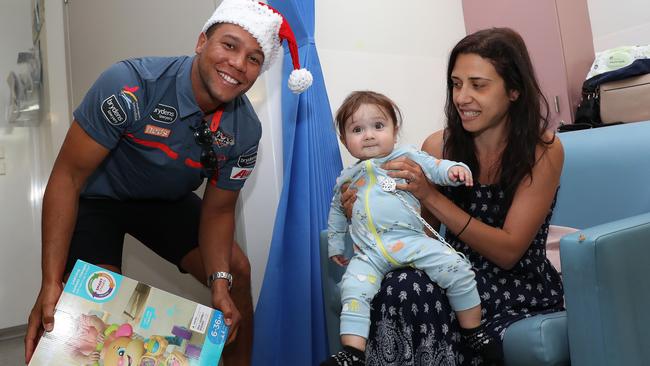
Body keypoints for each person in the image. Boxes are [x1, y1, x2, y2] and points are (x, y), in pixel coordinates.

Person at [23, 0, 313, 365]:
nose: (238, 64)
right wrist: (50, 281)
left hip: (166, 202)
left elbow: (219, 211)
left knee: (236, 272)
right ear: (201, 42)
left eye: (254, 59)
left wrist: (219, 287)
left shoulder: (244, 132)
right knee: (95, 308)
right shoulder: (129, 85)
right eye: (229, 45)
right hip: (98, 199)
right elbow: (67, 176)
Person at [342, 28, 564, 365]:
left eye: (478, 85)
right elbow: (417, 233)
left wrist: (430, 195)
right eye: (456, 84)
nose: (462, 97)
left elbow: (508, 252)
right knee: (398, 286)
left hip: (517, 288)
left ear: (514, 90)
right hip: (450, 273)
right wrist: (363, 212)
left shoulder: (542, 150)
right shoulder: (438, 147)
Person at [322, 91, 499, 366]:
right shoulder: (347, 177)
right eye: (357, 130)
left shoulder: (406, 158)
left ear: (395, 131)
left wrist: (454, 170)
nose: (368, 135)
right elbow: (335, 213)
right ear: (345, 141)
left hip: (410, 240)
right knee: (353, 290)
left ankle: (473, 330)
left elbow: (434, 167)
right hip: (369, 252)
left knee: (456, 267)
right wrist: (335, 244)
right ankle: (353, 353)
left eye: (378, 126)